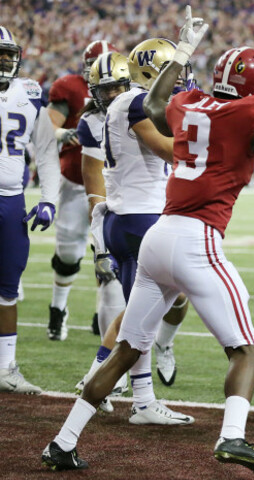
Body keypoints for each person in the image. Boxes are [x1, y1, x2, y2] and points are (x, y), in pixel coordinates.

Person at [42, 7, 254, 474]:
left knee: (127, 349)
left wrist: (183, 49)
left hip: (159, 235)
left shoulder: (189, 105)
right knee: (246, 350)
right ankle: (232, 437)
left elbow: (153, 104)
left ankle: (62, 442)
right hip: (196, 240)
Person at [79, 41, 196, 425]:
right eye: (172, 73)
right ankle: (135, 398)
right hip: (139, 219)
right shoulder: (134, 103)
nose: (179, 81)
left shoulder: (128, 103)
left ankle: (107, 382)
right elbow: (172, 152)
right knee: (142, 319)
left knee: (140, 314)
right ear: (151, 73)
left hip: (132, 217)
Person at [0, 26, 60, 393]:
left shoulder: (29, 93)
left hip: (11, 201)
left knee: (8, 287)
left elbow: (48, 152)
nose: (5, 60)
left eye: (8, 54)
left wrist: (49, 199)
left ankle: (5, 367)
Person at [46, 40, 117, 341]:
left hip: (115, 185)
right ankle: (58, 308)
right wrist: (64, 133)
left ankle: (103, 314)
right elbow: (47, 127)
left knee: (109, 253)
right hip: (76, 182)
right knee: (68, 253)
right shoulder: (70, 88)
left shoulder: (126, 94)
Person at [75, 51, 133, 413]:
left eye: (117, 87)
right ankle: (105, 377)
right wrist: (99, 245)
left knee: (159, 300)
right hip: (119, 216)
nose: (111, 95)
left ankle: (109, 375)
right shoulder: (92, 122)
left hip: (147, 210)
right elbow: (95, 191)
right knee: (117, 290)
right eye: (104, 89)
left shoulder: (144, 109)